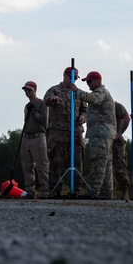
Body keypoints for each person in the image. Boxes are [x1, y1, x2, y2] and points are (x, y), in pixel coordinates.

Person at [43, 67, 86, 197]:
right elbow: (47, 100)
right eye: (70, 77)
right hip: (58, 131)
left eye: (75, 78)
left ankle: (76, 189)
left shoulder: (77, 92)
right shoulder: (54, 89)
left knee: (77, 161)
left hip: (75, 131)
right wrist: (53, 99)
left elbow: (85, 108)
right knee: (56, 161)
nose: (72, 80)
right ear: (64, 75)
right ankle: (55, 189)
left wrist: (83, 117)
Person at [75, 71, 117, 200]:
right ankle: (106, 192)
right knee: (106, 164)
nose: (88, 84)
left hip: (101, 134)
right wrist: (85, 118)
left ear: (98, 81)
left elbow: (93, 98)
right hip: (102, 133)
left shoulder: (101, 92)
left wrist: (77, 91)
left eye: (89, 81)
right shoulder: (100, 93)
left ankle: (93, 191)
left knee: (98, 162)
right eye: (86, 82)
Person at [20, 81, 49, 199]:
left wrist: (34, 113)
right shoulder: (26, 106)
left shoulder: (42, 104)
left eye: (29, 90)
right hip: (27, 137)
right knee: (27, 165)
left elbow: (44, 121)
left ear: (35, 90)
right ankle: (30, 191)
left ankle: (46, 190)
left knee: (41, 164)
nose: (27, 92)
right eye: (25, 90)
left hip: (38, 136)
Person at [112, 101, 131, 201]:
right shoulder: (97, 106)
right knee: (106, 168)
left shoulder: (116, 106)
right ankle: (110, 192)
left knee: (119, 167)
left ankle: (125, 192)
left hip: (116, 142)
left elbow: (127, 119)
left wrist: (119, 133)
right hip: (103, 141)